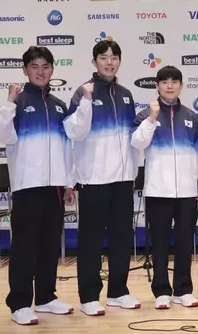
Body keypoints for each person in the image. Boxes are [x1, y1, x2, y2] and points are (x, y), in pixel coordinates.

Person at [0, 46, 86, 325]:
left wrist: (69, 182)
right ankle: (19, 302)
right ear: (25, 70)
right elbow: (0, 134)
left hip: (55, 186)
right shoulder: (17, 103)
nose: (41, 72)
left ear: (52, 70)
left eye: (46, 67)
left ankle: (45, 297)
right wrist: (9, 101)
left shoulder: (58, 105)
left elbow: (68, 146)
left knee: (48, 246)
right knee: (24, 246)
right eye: (35, 66)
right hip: (27, 186)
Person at [65, 40, 140, 316]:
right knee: (91, 240)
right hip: (93, 179)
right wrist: (85, 101)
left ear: (119, 61)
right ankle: (88, 295)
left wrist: (131, 172)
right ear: (94, 61)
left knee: (122, 237)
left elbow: (131, 139)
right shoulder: (83, 92)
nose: (109, 62)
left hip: (122, 180)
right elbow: (75, 132)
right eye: (104, 57)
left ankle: (118, 291)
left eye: (114, 57)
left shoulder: (125, 94)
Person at [131, 66, 198, 309]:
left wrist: (188, 184)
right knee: (159, 242)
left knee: (184, 242)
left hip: (186, 193)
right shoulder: (145, 115)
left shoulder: (192, 117)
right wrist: (151, 119)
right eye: (164, 82)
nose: (170, 85)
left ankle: (183, 289)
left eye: (174, 81)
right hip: (157, 192)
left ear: (181, 84)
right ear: (157, 86)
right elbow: (137, 142)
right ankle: (161, 290)